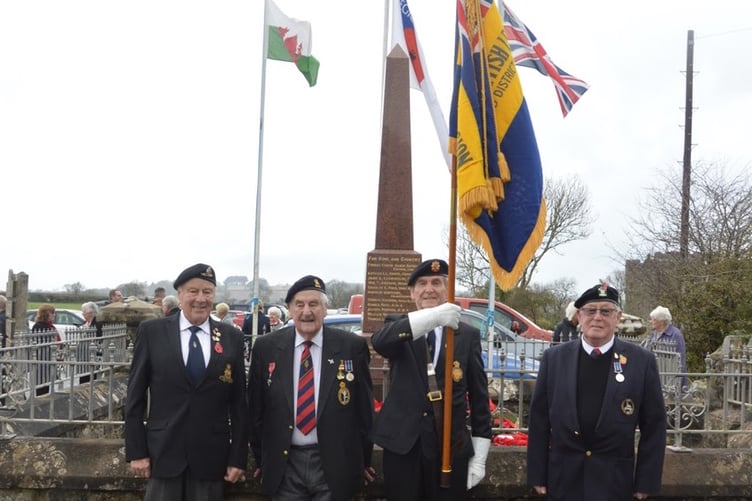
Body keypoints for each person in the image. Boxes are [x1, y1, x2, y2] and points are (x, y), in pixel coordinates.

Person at [527, 281, 667, 501]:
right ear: (579, 317)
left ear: (617, 318)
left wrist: (645, 481)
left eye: (606, 311)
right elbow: (539, 420)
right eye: (590, 311)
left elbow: (654, 426)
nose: (597, 317)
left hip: (614, 481)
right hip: (564, 479)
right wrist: (537, 474)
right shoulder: (554, 359)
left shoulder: (642, 361)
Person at [371, 259, 492, 500]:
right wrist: (434, 316)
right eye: (422, 283)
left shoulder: (466, 335)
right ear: (412, 292)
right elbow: (380, 342)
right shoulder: (398, 325)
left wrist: (479, 457)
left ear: (448, 290)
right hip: (404, 447)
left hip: (449, 447)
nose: (429, 289)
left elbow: (479, 397)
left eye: (437, 283)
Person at [125, 263, 248, 500]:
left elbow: (239, 403)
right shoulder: (152, 332)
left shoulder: (232, 337)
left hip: (211, 459)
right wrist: (136, 451)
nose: (200, 299)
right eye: (193, 291)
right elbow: (135, 396)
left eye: (207, 292)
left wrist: (238, 457)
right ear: (179, 295)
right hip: (162, 454)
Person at [247, 275, 375, 500]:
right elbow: (256, 411)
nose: (307, 311)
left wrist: (363, 460)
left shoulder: (351, 347)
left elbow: (364, 410)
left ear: (325, 309)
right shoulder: (266, 348)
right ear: (289, 309)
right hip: (285, 465)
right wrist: (262, 459)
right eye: (300, 304)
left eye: (314, 304)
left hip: (335, 464)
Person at [647, 305, 688, 390]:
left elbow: (681, 360)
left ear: (662, 322)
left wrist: (679, 383)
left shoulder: (676, 335)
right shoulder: (654, 334)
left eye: (654, 320)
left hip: (671, 379)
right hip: (658, 376)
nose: (651, 321)